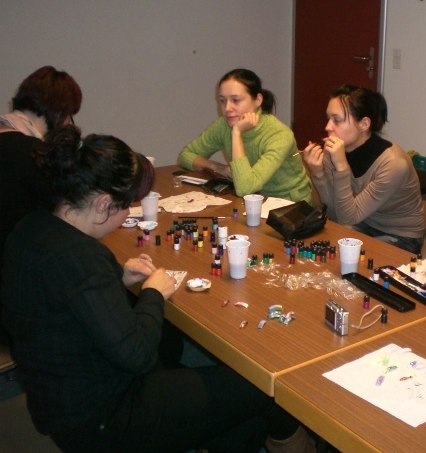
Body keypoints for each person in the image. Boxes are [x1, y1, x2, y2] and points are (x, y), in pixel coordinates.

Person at [0, 125, 315, 453]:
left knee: (246, 427)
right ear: (103, 203)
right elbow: (137, 353)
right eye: (126, 205)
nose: (127, 213)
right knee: (262, 390)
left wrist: (117, 278)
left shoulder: (31, 228)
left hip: (57, 401)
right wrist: (152, 293)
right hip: (105, 416)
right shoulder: (81, 257)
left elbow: (63, 301)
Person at [0, 65, 82, 346]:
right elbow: (71, 213)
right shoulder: (32, 154)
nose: (69, 123)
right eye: (69, 115)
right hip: (14, 305)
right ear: (57, 113)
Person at [302, 84, 425, 254]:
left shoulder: (393, 163)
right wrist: (318, 173)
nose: (328, 127)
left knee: (352, 258)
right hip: (362, 223)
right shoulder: (333, 152)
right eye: (328, 118)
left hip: (401, 235)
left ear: (364, 124)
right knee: (323, 248)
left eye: (337, 120)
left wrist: (342, 167)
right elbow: (337, 215)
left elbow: (347, 218)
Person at [178, 68, 312, 203]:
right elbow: (186, 155)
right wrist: (217, 167)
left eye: (235, 100)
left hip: (290, 204)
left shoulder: (280, 134)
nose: (227, 108)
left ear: (258, 100)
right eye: (223, 101)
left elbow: (245, 188)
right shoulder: (223, 125)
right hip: (253, 200)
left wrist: (236, 133)